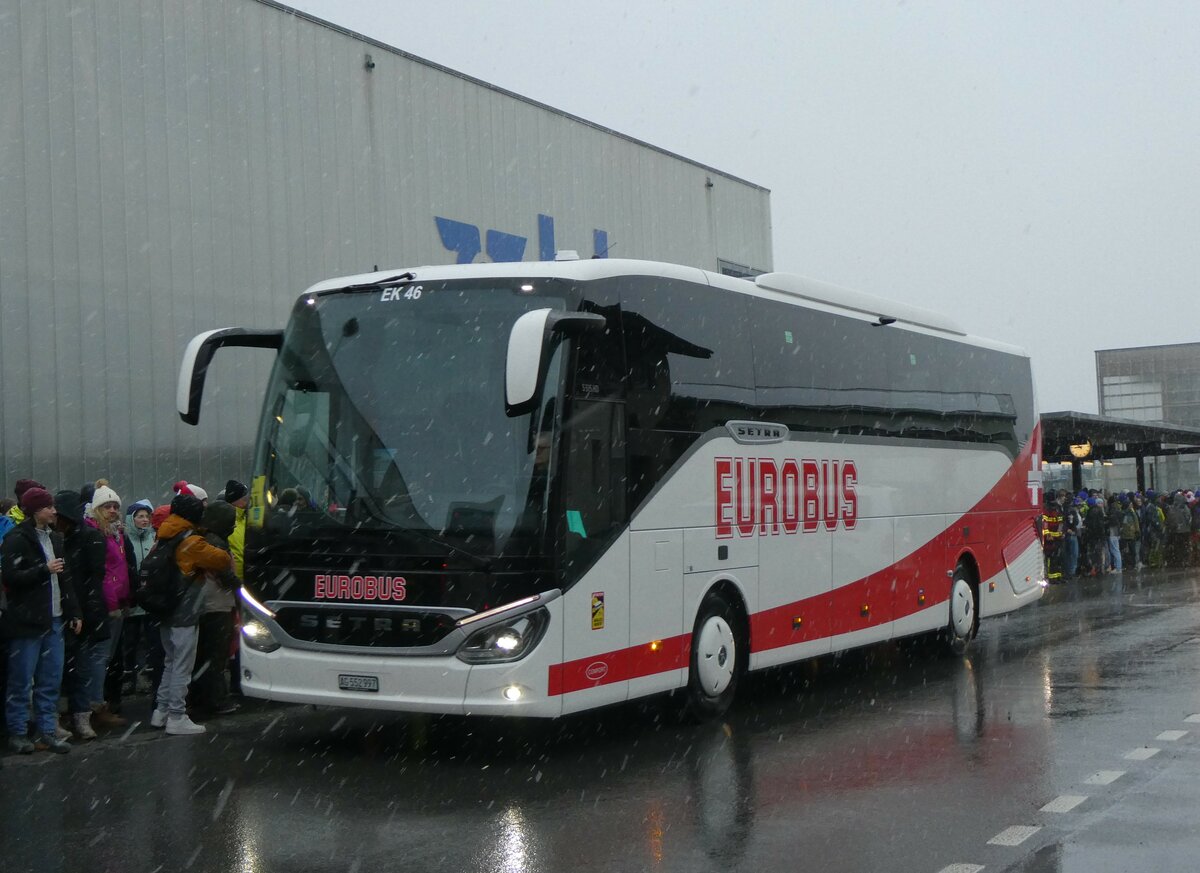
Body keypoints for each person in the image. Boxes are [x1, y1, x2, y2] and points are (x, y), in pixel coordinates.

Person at [1, 487, 81, 754]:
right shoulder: (17, 538)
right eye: (49, 507)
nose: (54, 511)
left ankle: (47, 731)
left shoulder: (55, 538)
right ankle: (19, 732)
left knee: (50, 679)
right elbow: (11, 577)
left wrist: (74, 611)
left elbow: (64, 578)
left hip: (54, 619)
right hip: (27, 621)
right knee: (22, 679)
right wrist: (42, 570)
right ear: (36, 510)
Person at [151, 493, 238, 735]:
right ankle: (177, 716)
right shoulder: (190, 540)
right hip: (185, 612)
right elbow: (220, 559)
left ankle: (161, 711)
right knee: (182, 665)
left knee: (170, 662)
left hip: (166, 609)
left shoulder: (165, 535)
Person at [54, 490, 110, 740]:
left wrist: (85, 612)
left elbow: (94, 581)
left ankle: (80, 715)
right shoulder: (58, 539)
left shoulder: (88, 538)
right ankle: (67, 717)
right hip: (63, 610)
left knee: (80, 668)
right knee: (60, 670)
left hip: (80, 613)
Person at [86, 481, 134, 725]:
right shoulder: (98, 535)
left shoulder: (114, 533)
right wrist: (113, 603)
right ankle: (94, 706)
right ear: (96, 509)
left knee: (106, 657)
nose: (113, 510)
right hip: (106, 607)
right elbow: (103, 573)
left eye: (116, 506)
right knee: (101, 657)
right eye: (107, 506)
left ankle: (97, 703)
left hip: (117, 604)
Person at [189, 501, 240, 717]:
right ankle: (216, 700)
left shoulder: (203, 538)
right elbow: (226, 576)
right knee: (216, 656)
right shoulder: (216, 543)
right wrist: (241, 587)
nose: (233, 526)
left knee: (204, 655)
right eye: (231, 521)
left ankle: (200, 698)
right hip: (217, 605)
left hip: (205, 604)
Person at [224, 480, 248, 581]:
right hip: (239, 582)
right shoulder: (227, 523)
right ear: (239, 500)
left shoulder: (245, 518)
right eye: (245, 496)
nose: (248, 499)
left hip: (246, 579)